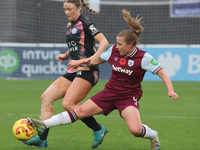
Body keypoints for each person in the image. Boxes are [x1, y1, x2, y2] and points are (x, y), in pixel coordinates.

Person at [26, 9, 178, 150]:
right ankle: (43, 124)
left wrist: (170, 90)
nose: (116, 47)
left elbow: (162, 73)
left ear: (130, 45)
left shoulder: (143, 57)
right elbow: (94, 60)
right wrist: (79, 62)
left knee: (135, 130)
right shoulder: (113, 51)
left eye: (120, 44)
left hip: (128, 97)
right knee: (79, 111)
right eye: (116, 43)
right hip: (109, 93)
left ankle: (153, 135)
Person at [23, 0, 109, 149]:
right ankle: (42, 139)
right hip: (74, 70)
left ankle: (98, 129)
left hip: (87, 70)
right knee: (46, 97)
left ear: (78, 9)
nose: (67, 12)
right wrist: (66, 54)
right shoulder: (71, 25)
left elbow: (104, 42)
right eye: (65, 10)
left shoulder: (85, 23)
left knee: (68, 104)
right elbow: (79, 44)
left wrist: (95, 57)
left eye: (69, 9)